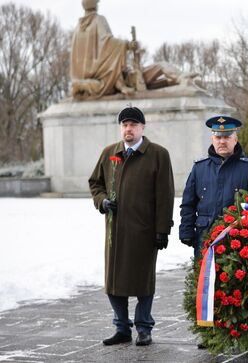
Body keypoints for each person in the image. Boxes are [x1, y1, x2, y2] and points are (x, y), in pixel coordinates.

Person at [89, 106, 175, 346]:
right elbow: (95, 183)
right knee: (114, 283)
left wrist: (162, 230)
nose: (128, 129)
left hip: (144, 232)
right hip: (115, 232)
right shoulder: (109, 153)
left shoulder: (158, 154)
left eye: (133, 125)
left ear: (142, 128)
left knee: (143, 282)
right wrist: (102, 201)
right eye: (125, 125)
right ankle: (122, 327)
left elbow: (165, 195)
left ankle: (144, 328)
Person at [179, 116, 248, 259]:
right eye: (218, 137)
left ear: (235, 139)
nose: (222, 141)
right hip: (205, 235)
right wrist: (186, 230)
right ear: (212, 139)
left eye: (227, 137)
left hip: (239, 238)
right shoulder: (199, 168)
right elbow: (188, 203)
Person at [71, 0, 136, 98]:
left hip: (82, 73)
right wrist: (127, 45)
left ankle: (81, 84)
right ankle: (120, 85)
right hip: (98, 70)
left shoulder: (77, 28)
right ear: (94, 5)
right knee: (113, 55)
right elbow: (108, 41)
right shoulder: (98, 19)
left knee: (110, 54)